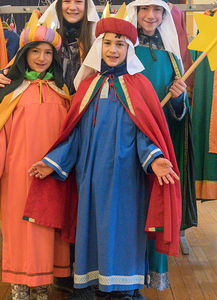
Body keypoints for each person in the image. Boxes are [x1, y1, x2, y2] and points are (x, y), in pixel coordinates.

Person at [25, 13, 182, 300]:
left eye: (120, 45)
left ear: (128, 51)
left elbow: (145, 134)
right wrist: (53, 162)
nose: (113, 50)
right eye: (107, 43)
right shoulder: (86, 86)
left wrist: (155, 158)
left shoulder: (140, 86)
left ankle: (124, 288)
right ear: (99, 46)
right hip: (91, 177)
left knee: (123, 229)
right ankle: (94, 285)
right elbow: (74, 134)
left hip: (126, 179)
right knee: (92, 228)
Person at [0, 24, 73, 300]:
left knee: (48, 227)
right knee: (20, 229)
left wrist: (58, 164)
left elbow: (70, 136)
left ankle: (42, 284)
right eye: (35, 51)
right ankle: (19, 285)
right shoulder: (10, 93)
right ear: (23, 54)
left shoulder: (62, 92)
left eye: (48, 52)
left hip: (53, 175)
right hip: (18, 176)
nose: (41, 58)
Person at [127, 0, 197, 291]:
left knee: (154, 208)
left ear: (165, 15)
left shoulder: (171, 56)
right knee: (128, 208)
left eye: (157, 11)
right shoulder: (123, 47)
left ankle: (151, 273)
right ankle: (125, 273)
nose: (150, 16)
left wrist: (179, 97)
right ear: (135, 12)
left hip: (159, 141)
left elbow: (179, 116)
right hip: (127, 138)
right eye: (144, 9)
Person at [0, 0, 99, 95]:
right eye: (67, 1)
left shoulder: (96, 39)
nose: (72, 7)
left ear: (86, 5)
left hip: (83, 108)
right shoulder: (43, 33)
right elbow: (20, 63)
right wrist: (2, 75)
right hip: (47, 102)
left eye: (79, 1)